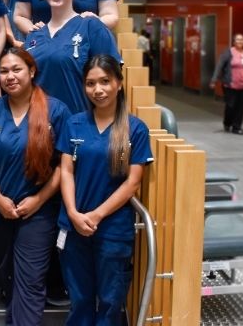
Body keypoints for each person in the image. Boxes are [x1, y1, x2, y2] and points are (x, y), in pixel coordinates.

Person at [0, 48, 71, 325]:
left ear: (31, 71)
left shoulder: (56, 110)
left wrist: (38, 200)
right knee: (8, 275)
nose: (10, 76)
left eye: (16, 69)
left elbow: (64, 164)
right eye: (4, 71)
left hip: (37, 211)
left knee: (29, 279)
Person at [57, 54, 153, 326]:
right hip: (73, 227)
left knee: (110, 303)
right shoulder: (74, 123)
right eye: (90, 83)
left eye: (105, 82)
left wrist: (96, 215)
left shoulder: (135, 129)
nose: (97, 90)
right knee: (79, 300)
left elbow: (133, 182)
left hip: (112, 230)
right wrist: (74, 214)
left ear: (119, 84)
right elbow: (66, 170)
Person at [24, 0, 121, 115]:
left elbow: (111, 80)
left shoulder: (90, 26)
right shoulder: (34, 35)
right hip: (39, 126)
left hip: (79, 126)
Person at [210, 33, 243, 135]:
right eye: (238, 40)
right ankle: (227, 122)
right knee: (230, 106)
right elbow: (219, 65)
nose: (240, 42)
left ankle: (237, 127)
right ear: (234, 41)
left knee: (241, 107)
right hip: (231, 85)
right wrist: (214, 80)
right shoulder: (228, 53)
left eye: (242, 40)